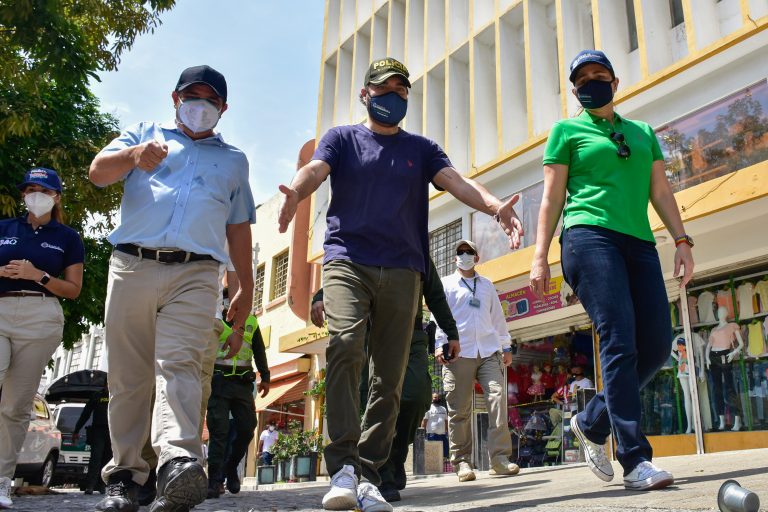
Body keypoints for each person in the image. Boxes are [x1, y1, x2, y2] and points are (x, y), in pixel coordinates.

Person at [277, 56, 522, 512]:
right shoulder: (343, 138)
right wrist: (297, 190)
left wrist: (493, 206)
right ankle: (343, 468)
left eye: (402, 89)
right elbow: (316, 169)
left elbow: (455, 181)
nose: (393, 95)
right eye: (384, 87)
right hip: (348, 261)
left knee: (388, 378)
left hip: (404, 270)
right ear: (365, 94)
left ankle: (368, 474)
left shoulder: (422, 149)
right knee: (346, 345)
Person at [88, 64, 255, 512]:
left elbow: (238, 228)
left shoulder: (234, 160)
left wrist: (248, 285)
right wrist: (133, 156)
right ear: (175, 98)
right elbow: (98, 173)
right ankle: (124, 475)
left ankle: (178, 462)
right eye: (191, 96)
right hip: (132, 266)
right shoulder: (145, 134)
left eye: (209, 100)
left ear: (223, 108)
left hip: (197, 274)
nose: (199, 106)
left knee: (179, 366)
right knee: (129, 378)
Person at [529, 50, 694, 492]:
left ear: (615, 82)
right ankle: (636, 460)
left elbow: (660, 189)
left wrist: (682, 240)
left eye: (599, 75)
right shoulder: (566, 131)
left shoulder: (641, 132)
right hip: (588, 237)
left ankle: (592, 420)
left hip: (639, 242)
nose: (591, 83)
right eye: (582, 79)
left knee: (657, 344)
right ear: (574, 89)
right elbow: (551, 198)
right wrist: (539, 254)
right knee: (619, 337)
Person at [312, 255, 459, 503]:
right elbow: (350, 271)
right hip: (368, 332)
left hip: (409, 334)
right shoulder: (370, 233)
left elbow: (435, 293)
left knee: (414, 394)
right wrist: (320, 297)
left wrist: (451, 331)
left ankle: (396, 456)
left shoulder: (415, 246)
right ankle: (380, 471)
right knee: (368, 397)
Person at [0, 167, 84, 509]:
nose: (35, 194)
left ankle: (2, 480)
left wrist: (40, 275)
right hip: (1, 308)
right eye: (30, 188)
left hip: (41, 315)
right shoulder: (4, 227)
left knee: (15, 405)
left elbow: (73, 289)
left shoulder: (68, 237)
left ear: (56, 196)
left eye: (43, 189)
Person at [435, 239, 519, 482]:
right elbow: (439, 317)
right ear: (454, 259)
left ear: (476, 257)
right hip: (458, 352)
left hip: (488, 352)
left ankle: (500, 459)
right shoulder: (446, 284)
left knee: (497, 398)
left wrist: (506, 346)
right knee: (459, 410)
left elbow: (497, 317)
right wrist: (440, 345)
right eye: (460, 252)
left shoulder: (487, 285)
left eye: (468, 251)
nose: (464, 255)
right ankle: (462, 462)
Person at [206, 313, 270, 499]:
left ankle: (231, 465)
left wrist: (265, 376)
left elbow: (259, 349)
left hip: (242, 382)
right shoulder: (214, 316)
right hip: (218, 381)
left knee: (247, 428)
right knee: (219, 431)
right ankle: (214, 481)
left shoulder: (250, 320)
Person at [74, 386, 112, 495]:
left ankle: (101, 484)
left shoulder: (117, 394)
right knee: (96, 458)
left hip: (111, 432)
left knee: (107, 459)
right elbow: (85, 413)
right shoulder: (97, 396)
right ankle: (90, 485)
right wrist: (77, 429)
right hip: (98, 431)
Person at [422, 393, 449, 460]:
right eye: (435, 397)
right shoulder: (428, 408)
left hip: (442, 435)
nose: (437, 398)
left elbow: (446, 421)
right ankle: (433, 468)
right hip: (432, 434)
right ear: (431, 399)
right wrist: (422, 432)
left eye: (438, 397)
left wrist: (447, 432)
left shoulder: (443, 409)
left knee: (444, 454)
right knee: (433, 454)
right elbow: (424, 421)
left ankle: (442, 467)